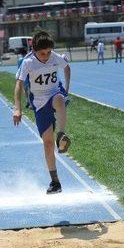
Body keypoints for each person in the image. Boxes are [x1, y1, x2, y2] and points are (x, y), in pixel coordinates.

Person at [13, 30, 71, 195]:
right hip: (39, 102)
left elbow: (67, 68)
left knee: (60, 99)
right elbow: (18, 85)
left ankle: (61, 134)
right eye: (42, 53)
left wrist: (66, 88)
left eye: (48, 52)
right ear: (34, 51)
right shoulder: (28, 62)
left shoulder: (55, 57)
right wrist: (17, 108)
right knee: (47, 143)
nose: (46, 56)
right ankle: (55, 181)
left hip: (54, 93)